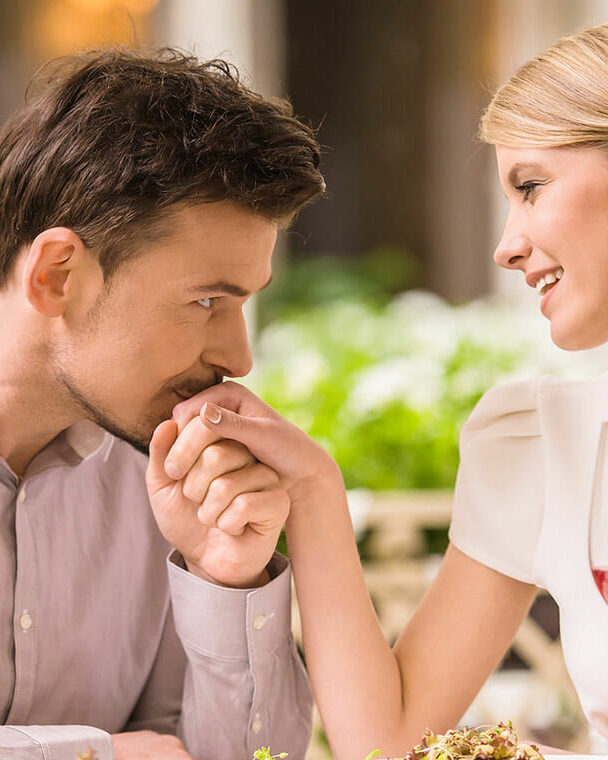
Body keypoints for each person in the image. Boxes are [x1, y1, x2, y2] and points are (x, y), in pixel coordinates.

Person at [176, 21, 608, 760]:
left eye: (531, 186)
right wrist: (312, 490)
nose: (505, 245)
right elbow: (391, 738)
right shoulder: (541, 450)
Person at [0, 49, 325, 760]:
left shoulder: (169, 479)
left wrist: (223, 576)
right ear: (59, 275)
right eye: (208, 300)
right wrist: (102, 752)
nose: (239, 359)